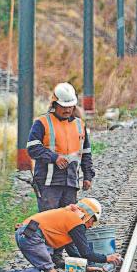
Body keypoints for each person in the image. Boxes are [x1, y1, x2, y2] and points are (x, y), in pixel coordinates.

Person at [0, 198, 123, 272]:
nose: (91, 225)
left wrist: (85, 266)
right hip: (31, 236)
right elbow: (86, 252)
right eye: (93, 220)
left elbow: (72, 250)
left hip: (28, 233)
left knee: (54, 266)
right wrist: (107, 258)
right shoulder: (76, 222)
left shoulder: (69, 216)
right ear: (88, 214)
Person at [26, 82, 94, 212]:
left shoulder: (80, 125)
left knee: (68, 219)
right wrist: (54, 157)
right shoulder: (42, 123)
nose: (67, 110)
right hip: (48, 184)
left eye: (70, 106)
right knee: (49, 219)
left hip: (71, 182)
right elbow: (33, 148)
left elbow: (86, 153)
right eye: (63, 106)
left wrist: (88, 176)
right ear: (55, 104)